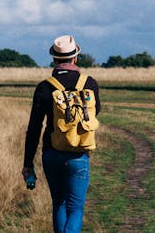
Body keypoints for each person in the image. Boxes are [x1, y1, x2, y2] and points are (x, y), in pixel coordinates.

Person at [22, 34, 102, 233]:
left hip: (51, 153)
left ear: (54, 59)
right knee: (76, 208)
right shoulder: (89, 84)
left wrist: (27, 164)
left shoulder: (44, 87)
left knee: (59, 204)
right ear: (75, 58)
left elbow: (34, 128)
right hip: (78, 154)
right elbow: (95, 112)